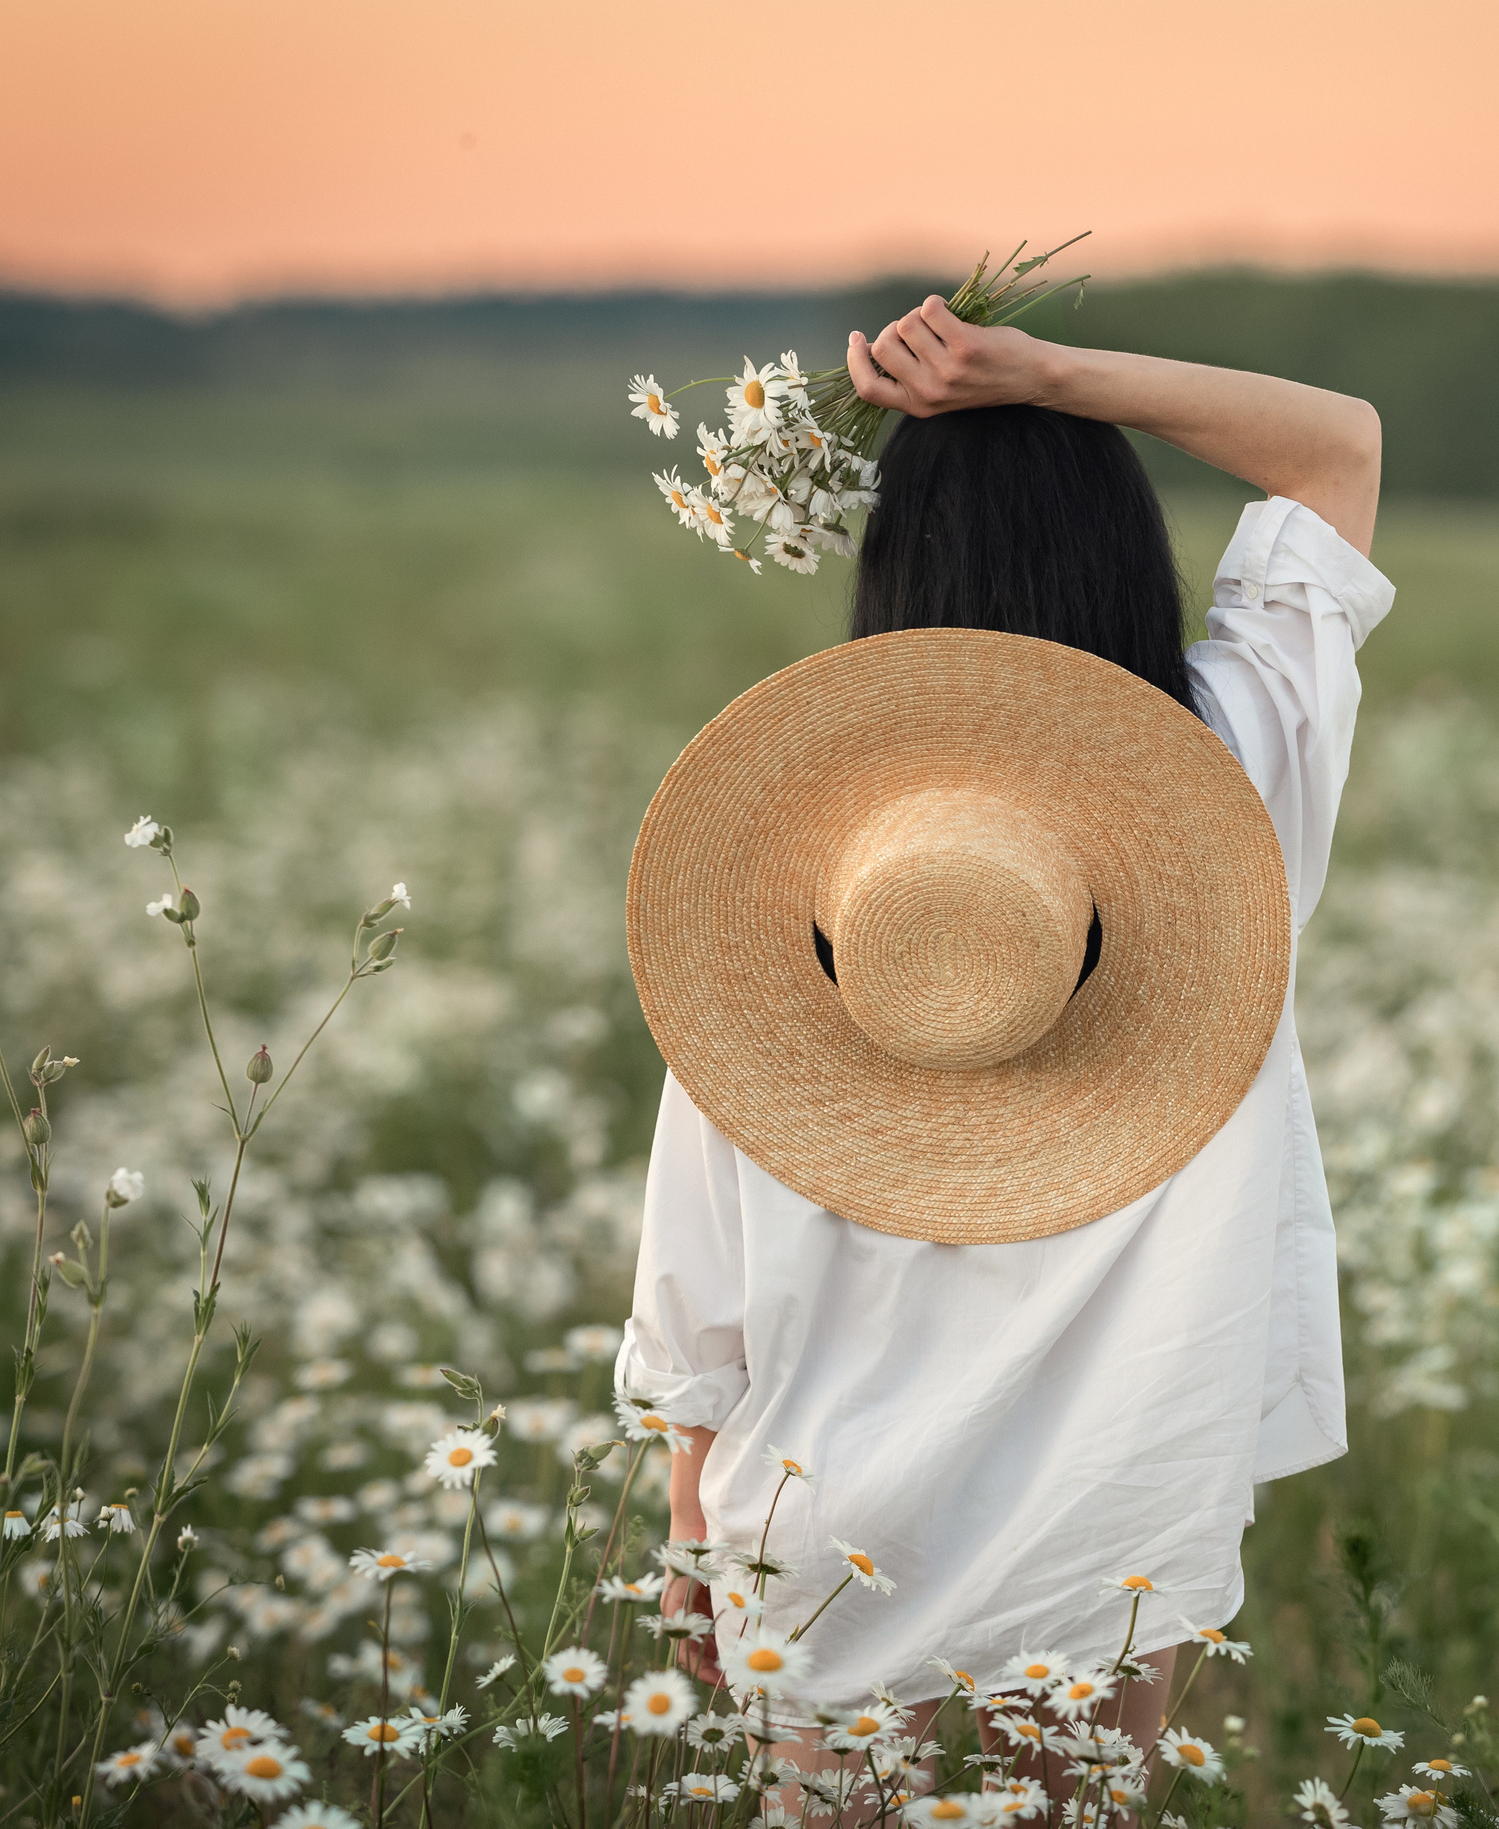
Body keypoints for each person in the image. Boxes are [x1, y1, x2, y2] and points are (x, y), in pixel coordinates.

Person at [616, 292, 1389, 1800]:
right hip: (1123, 1483)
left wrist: (692, 1510)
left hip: (820, 1483)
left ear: (893, 568)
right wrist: (1053, 376)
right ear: (1124, 547)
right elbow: (1336, 450)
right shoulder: (1230, 786)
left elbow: (701, 1198)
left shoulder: (810, 835)